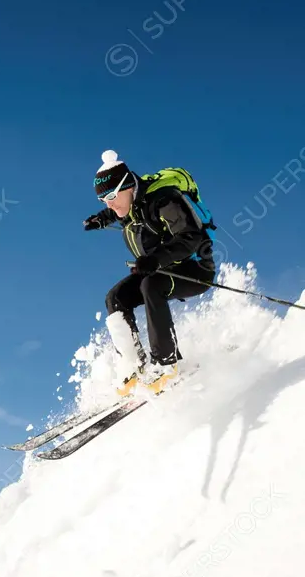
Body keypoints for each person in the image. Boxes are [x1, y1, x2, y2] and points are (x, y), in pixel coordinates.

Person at [83, 150, 217, 397]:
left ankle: (166, 364)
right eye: (103, 200)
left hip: (195, 268)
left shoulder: (165, 200)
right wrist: (100, 219)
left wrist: (155, 259)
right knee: (116, 298)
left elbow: (190, 237)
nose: (110, 204)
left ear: (129, 186)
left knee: (151, 286)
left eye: (111, 196)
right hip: (158, 267)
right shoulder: (129, 202)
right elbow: (117, 210)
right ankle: (133, 367)